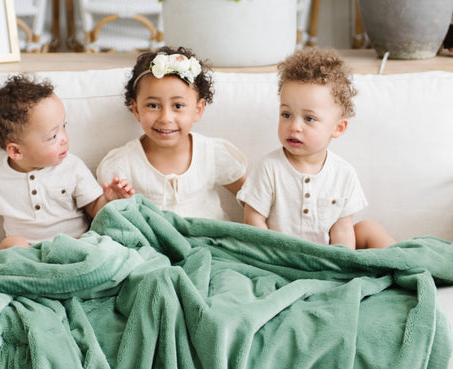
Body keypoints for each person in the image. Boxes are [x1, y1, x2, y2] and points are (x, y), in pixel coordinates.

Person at [0, 74, 133, 250]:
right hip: (28, 256)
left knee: (98, 245)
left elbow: (93, 207)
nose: (64, 139)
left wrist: (108, 200)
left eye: (64, 126)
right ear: (16, 151)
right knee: (12, 243)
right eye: (53, 136)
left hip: (73, 248)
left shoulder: (72, 167)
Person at [238, 47, 394, 249]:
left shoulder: (343, 174)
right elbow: (253, 222)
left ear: (338, 128)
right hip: (280, 258)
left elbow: (342, 230)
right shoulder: (269, 168)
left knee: (369, 228)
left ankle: (408, 263)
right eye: (286, 114)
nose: (294, 126)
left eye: (309, 118)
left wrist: (340, 266)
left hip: (326, 259)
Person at [96, 46, 248, 221]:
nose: (165, 118)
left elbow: (253, 198)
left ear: (198, 110)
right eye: (153, 105)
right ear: (137, 109)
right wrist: (111, 202)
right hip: (153, 244)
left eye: (178, 106)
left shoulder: (212, 153)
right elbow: (107, 217)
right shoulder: (123, 163)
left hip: (208, 240)